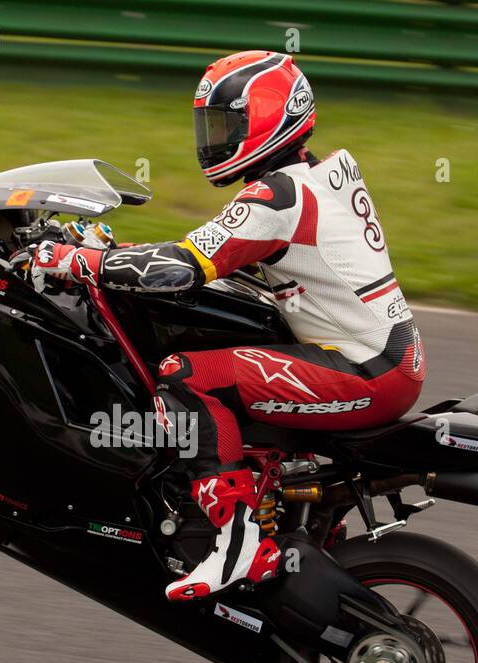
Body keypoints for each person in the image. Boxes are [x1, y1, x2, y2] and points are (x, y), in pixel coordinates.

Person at [28, 50, 426, 602]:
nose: (213, 139)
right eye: (210, 125)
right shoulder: (317, 175)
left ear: (270, 119)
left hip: (366, 370)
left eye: (227, 124)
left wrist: (77, 262)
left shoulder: (277, 197)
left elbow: (180, 267)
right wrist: (119, 252)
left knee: (187, 376)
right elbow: (212, 247)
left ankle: (237, 540)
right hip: (384, 355)